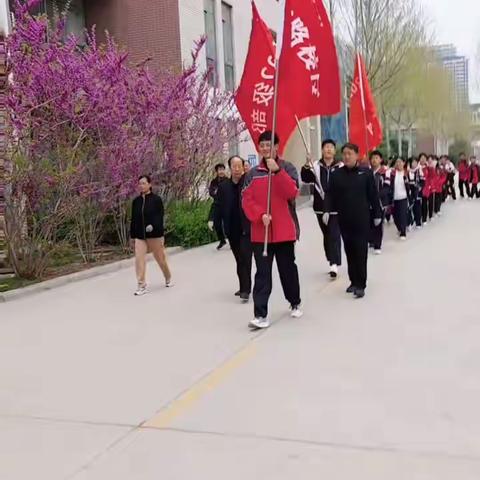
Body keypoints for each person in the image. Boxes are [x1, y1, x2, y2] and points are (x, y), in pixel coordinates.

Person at [242, 131, 302, 329]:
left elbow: (292, 192)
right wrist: (260, 215)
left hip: (284, 232)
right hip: (262, 233)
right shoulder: (252, 173)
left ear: (277, 147)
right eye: (263, 145)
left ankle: (294, 301)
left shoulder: (287, 168)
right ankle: (260, 315)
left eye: (270, 145)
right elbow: (246, 199)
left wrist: (277, 172)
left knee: (287, 270)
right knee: (262, 273)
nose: (266, 148)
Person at [329, 143, 382, 299]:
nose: (346, 156)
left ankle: (361, 284)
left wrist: (377, 213)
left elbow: (373, 195)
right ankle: (353, 281)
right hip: (344, 219)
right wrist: (327, 211)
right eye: (344, 153)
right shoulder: (336, 175)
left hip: (361, 220)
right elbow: (330, 195)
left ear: (357, 155)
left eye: (350, 153)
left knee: (360, 251)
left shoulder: (365, 173)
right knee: (349, 251)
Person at [301, 139, 342, 278]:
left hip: (336, 207)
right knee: (327, 234)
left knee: (334, 234)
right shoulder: (316, 166)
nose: (329, 149)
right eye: (326, 147)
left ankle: (334, 263)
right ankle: (331, 258)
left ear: (334, 151)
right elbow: (305, 178)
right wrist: (307, 163)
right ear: (322, 150)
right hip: (320, 206)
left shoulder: (340, 166)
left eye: (331, 147)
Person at [216, 156, 252, 302]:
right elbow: (218, 206)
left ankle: (246, 289)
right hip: (232, 229)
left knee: (246, 258)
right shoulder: (224, 186)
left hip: (247, 228)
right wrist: (214, 221)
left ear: (244, 167)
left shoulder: (249, 183)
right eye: (234, 166)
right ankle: (243, 286)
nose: (237, 169)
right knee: (239, 259)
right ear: (230, 168)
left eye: (239, 166)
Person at [130, 175, 173, 296]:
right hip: (140, 236)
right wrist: (132, 236)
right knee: (139, 259)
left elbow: (159, 216)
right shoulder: (136, 202)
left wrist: (153, 226)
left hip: (154, 235)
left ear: (149, 184)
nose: (141, 185)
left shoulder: (156, 200)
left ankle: (167, 276)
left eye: (144, 183)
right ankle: (141, 285)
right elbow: (133, 219)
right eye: (140, 183)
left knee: (160, 259)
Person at [369, 150, 390, 254]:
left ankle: (378, 245)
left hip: (380, 202)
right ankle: (371, 241)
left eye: (376, 158)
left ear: (380, 160)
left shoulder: (385, 172)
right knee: (369, 222)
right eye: (372, 158)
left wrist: (377, 195)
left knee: (378, 223)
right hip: (368, 203)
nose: (374, 160)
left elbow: (387, 188)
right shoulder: (367, 172)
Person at [386, 157, 410, 240]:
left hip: (403, 197)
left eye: (400, 162)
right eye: (397, 162)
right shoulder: (392, 173)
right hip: (394, 198)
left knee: (402, 215)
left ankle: (403, 232)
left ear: (404, 163)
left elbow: (410, 186)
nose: (398, 164)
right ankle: (399, 228)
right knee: (395, 216)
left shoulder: (406, 173)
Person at [208, 163, 227, 250]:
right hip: (217, 204)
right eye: (219, 170)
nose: (221, 171)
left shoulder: (228, 180)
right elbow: (212, 192)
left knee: (228, 224)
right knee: (216, 224)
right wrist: (216, 193)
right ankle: (222, 240)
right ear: (217, 171)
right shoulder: (214, 182)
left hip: (226, 204)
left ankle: (232, 239)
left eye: (222, 169)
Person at [408, 157, 424, 229]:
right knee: (411, 206)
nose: (414, 164)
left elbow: (423, 181)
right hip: (409, 191)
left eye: (415, 162)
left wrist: (419, 186)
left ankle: (418, 221)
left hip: (417, 190)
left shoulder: (419, 170)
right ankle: (411, 220)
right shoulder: (407, 171)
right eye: (412, 162)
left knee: (417, 206)